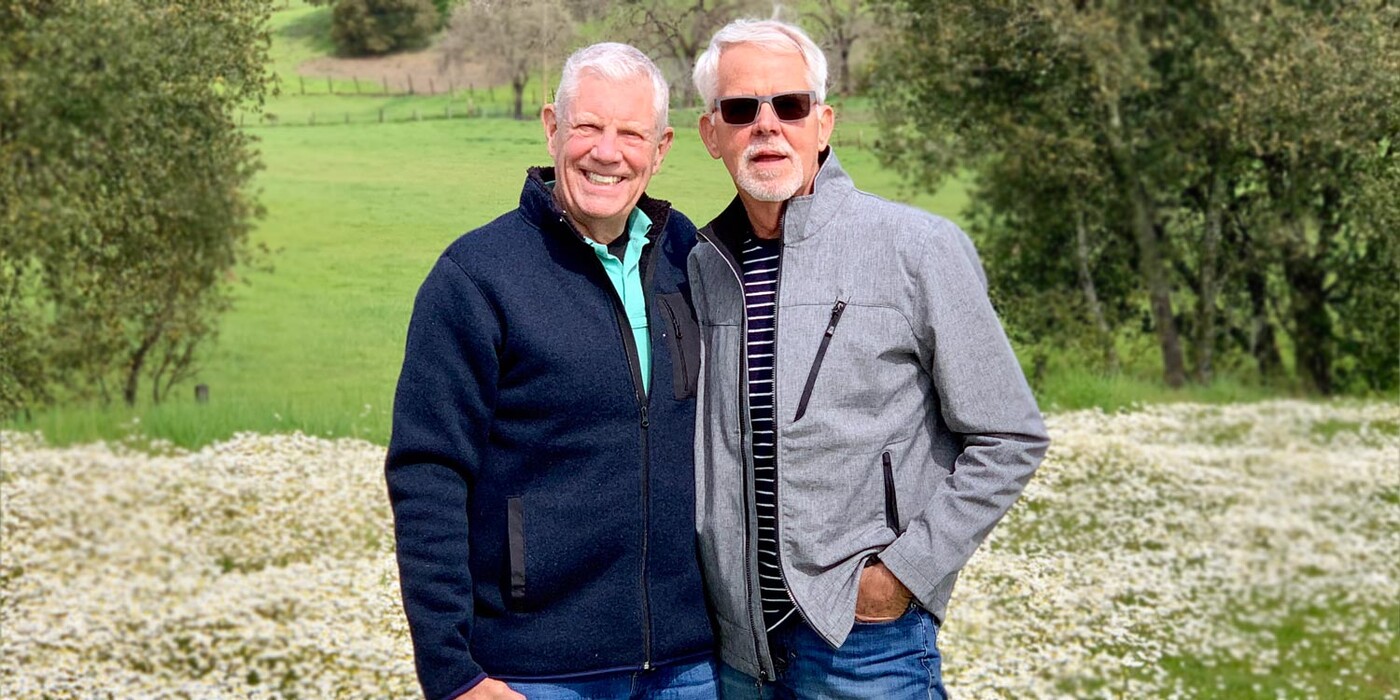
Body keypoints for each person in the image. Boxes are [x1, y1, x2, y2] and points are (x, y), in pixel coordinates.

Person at [687, 19, 1051, 698]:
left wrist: (906, 573)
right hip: (735, 654)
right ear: (713, 134)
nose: (767, 126)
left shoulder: (918, 249)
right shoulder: (700, 267)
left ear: (822, 122)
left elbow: (1010, 435)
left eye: (788, 105)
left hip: (865, 647)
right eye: (741, 109)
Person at [385, 43, 715, 700]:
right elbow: (428, 474)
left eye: (630, 133)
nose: (606, 151)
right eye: (588, 126)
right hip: (535, 670)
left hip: (689, 666)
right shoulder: (476, 277)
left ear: (662, 147)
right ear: (551, 127)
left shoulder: (696, 261)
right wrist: (453, 674)